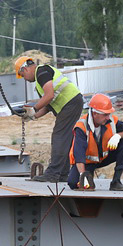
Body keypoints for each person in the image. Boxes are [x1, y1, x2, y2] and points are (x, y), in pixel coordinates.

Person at [13, 55, 84, 183]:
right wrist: (32, 115)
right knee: (65, 138)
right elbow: (48, 106)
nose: (24, 79)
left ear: (25, 69)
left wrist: (33, 109)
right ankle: (62, 173)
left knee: (59, 136)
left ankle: (53, 173)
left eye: (22, 76)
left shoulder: (41, 72)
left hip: (70, 103)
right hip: (71, 103)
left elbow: (49, 96)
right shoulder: (42, 78)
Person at [68, 94, 123, 192]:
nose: (108, 117)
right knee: (73, 183)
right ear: (95, 114)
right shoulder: (81, 127)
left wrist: (118, 136)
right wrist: (83, 176)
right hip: (87, 162)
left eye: (109, 114)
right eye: (105, 114)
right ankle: (88, 174)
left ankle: (116, 182)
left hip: (104, 157)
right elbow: (79, 155)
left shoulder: (111, 121)